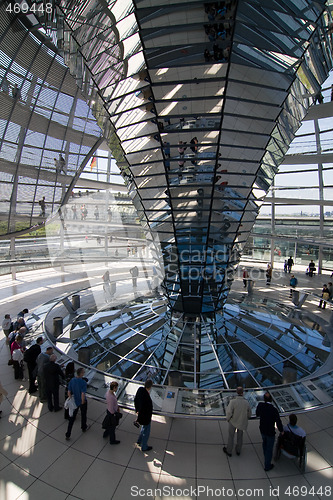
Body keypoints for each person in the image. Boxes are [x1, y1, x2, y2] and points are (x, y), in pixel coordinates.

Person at [256, 392, 284, 471]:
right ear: (271, 399)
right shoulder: (274, 410)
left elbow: (257, 414)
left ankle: (266, 457)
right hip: (270, 431)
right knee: (269, 448)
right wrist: (281, 431)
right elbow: (278, 422)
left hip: (262, 429)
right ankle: (267, 465)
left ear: (264, 399)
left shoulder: (260, 406)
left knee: (264, 443)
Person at [223, 387, 251, 457]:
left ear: (236, 392)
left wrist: (228, 419)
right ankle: (238, 450)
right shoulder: (246, 402)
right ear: (242, 393)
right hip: (242, 422)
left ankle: (229, 451)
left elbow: (229, 412)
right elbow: (249, 413)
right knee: (240, 437)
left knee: (231, 436)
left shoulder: (233, 401)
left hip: (233, 421)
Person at [65, 367, 89, 440]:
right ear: (81, 374)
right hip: (82, 401)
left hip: (75, 400)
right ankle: (83, 427)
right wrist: (82, 402)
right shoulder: (83, 382)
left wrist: (71, 399)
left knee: (72, 418)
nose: (84, 373)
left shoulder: (72, 380)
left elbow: (69, 391)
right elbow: (82, 393)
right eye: (83, 372)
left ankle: (68, 433)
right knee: (83, 414)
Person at [134, 379, 153, 452]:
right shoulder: (146, 397)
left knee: (143, 428)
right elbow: (147, 408)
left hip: (141, 415)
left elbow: (136, 400)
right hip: (145, 417)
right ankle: (144, 446)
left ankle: (139, 441)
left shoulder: (140, 390)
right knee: (146, 431)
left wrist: (137, 410)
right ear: (150, 387)